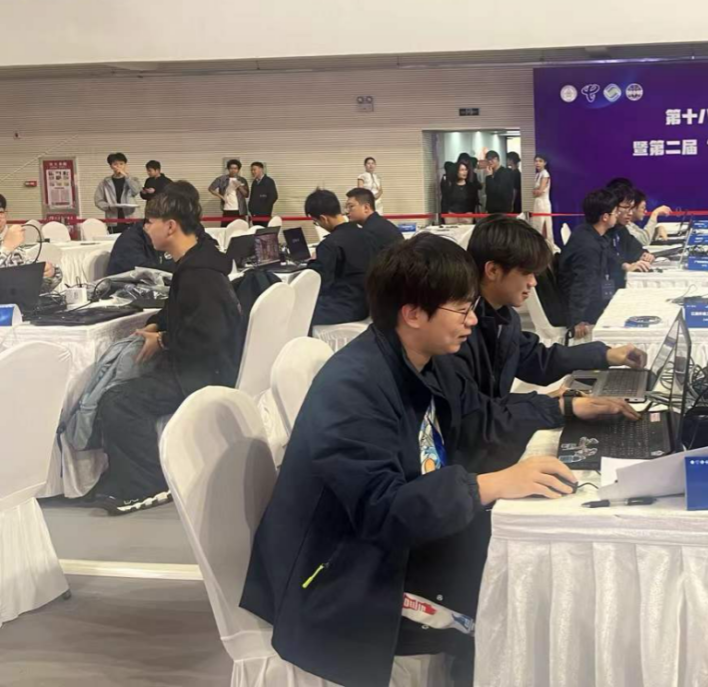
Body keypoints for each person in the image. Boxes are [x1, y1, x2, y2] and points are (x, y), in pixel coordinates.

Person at [241, 236, 618, 686]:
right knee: (516, 600)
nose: (473, 320)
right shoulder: (353, 389)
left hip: (403, 542)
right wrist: (488, 485)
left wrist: (562, 408)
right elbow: (382, 510)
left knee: (532, 575)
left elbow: (479, 417)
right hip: (347, 580)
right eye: (462, 309)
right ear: (413, 314)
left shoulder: (425, 358)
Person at [90, 185, 243, 515]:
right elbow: (181, 310)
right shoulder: (200, 259)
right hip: (204, 364)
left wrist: (163, 341)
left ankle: (145, 484)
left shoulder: (198, 273)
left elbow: (208, 335)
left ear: (170, 225)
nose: (146, 229)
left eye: (150, 222)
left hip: (203, 372)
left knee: (118, 401)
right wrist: (157, 324)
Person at [456, 216, 644, 468]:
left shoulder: (503, 316)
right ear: (492, 271)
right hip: (474, 456)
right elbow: (475, 418)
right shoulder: (457, 333)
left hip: (495, 438)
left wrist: (604, 355)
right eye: (526, 273)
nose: (533, 283)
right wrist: (559, 406)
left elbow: (536, 360)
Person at [304, 188, 378, 325]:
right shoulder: (366, 234)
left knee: (296, 310)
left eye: (316, 222)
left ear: (323, 218)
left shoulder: (329, 245)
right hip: (367, 304)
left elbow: (319, 284)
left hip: (343, 307)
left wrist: (313, 263)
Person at [559, 189, 621, 339]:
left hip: (597, 296)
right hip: (587, 310)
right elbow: (582, 285)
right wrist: (576, 320)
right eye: (615, 212)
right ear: (605, 217)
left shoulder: (588, 232)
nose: (618, 215)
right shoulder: (588, 248)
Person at [0, 194, 60, 286]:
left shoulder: (15, 251)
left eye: (1, 212)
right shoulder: (8, 245)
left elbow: (36, 286)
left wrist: (51, 273)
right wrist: (6, 248)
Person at [94, 152, 142, 232]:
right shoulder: (105, 182)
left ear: (125, 165)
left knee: (132, 239)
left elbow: (136, 190)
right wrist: (109, 206)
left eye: (121, 164)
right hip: (113, 220)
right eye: (115, 164)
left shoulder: (133, 179)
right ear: (111, 166)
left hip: (131, 218)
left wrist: (126, 176)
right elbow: (98, 200)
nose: (119, 166)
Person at [345, 186, 404, 252]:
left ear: (366, 208)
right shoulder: (381, 224)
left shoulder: (369, 232)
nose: (347, 211)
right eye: (346, 207)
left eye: (351, 206)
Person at [482, 150, 515, 215]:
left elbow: (498, 191)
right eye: (488, 160)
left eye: (492, 159)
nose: (490, 162)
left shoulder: (505, 173)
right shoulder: (490, 173)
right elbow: (488, 191)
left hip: (502, 209)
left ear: (497, 159)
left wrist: (489, 177)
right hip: (492, 209)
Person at [531, 154, 553, 241]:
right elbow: (534, 192)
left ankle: (546, 244)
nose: (537, 163)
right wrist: (535, 192)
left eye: (540, 161)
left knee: (543, 225)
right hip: (537, 203)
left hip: (543, 204)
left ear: (545, 163)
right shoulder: (537, 174)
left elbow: (540, 191)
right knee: (536, 225)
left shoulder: (545, 174)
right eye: (536, 161)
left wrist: (536, 192)